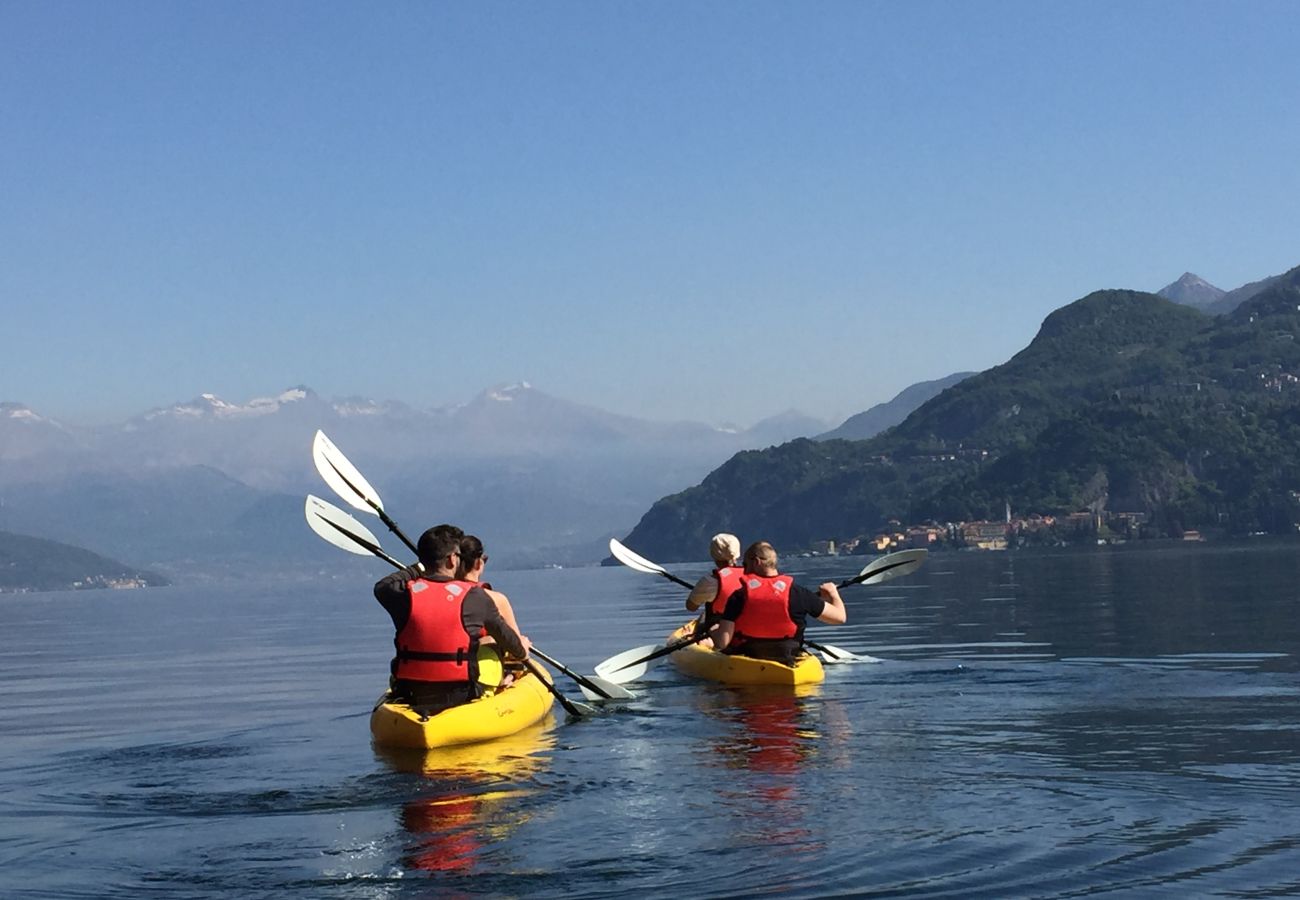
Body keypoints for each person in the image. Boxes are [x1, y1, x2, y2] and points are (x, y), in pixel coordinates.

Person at [373, 525, 531, 714]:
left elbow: (383, 585)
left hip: (410, 691)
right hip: (460, 693)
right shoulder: (477, 597)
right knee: (498, 653)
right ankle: (505, 682)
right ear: (451, 559)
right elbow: (513, 646)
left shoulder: (402, 595)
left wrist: (419, 566)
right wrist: (522, 649)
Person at [710, 540, 846, 665]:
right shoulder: (798, 593)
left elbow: (722, 642)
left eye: (745, 565)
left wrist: (714, 631)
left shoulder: (738, 596)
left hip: (749, 658)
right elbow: (840, 618)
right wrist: (833, 593)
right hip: (788, 658)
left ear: (756, 562)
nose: (744, 571)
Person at [455, 534, 522, 690]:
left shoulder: (438, 597)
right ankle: (506, 679)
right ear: (478, 563)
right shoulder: (496, 599)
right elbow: (516, 650)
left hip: (439, 672)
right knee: (517, 645)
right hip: (481, 672)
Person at [684, 533, 744, 646]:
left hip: (720, 629)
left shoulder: (709, 581)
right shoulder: (751, 575)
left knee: (704, 618)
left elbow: (691, 607)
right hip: (747, 626)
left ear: (713, 554)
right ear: (738, 553)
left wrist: (700, 593)